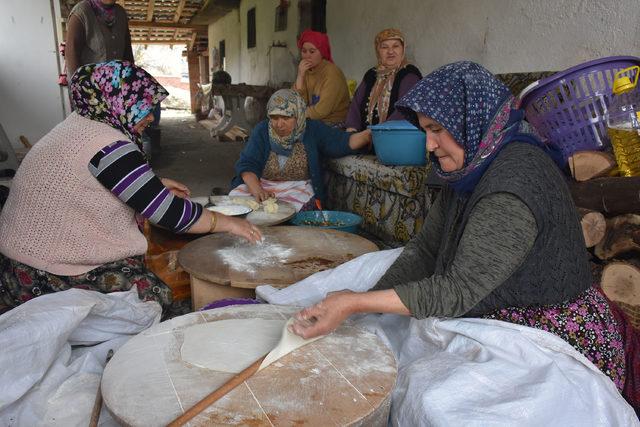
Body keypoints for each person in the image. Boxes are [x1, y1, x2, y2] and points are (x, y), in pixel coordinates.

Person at [290, 61, 638, 409]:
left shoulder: (514, 184)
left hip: (548, 329)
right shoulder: (469, 166)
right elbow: (426, 250)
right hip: (492, 298)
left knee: (436, 401)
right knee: (381, 300)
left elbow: (458, 290)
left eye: (437, 129)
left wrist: (355, 302)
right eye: (425, 130)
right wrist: (365, 302)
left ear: (470, 120)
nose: (428, 145)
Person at [0, 61, 262, 317]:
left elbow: (90, 182)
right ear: (118, 101)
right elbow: (170, 214)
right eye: (143, 107)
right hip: (43, 273)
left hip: (16, 260)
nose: (150, 117)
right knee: (155, 297)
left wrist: (153, 185)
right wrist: (227, 223)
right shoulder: (107, 144)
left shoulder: (79, 125)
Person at [230, 89, 371, 210]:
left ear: (298, 115)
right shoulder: (262, 130)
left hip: (298, 188)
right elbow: (248, 164)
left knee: (297, 210)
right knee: (237, 204)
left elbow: (342, 142)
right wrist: (257, 190)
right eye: (274, 117)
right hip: (262, 184)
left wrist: (368, 135)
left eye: (286, 117)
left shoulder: (313, 129)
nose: (279, 124)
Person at [345, 29, 422, 132]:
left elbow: (404, 110)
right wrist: (352, 129)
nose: (390, 51)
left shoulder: (409, 74)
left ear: (403, 49)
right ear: (378, 51)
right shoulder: (372, 74)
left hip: (395, 137)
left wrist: (377, 132)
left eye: (396, 46)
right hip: (365, 138)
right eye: (384, 47)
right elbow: (356, 105)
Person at [65, 0, 134, 83]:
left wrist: (130, 82)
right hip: (90, 89)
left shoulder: (121, 13)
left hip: (118, 88)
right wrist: (80, 89)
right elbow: (71, 55)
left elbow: (128, 54)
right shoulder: (82, 12)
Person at [293, 30, 350, 127]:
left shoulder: (332, 73)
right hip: (312, 120)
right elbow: (296, 102)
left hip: (334, 123)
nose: (307, 56)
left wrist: (296, 114)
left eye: (312, 51)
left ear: (322, 52)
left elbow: (321, 111)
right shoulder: (306, 71)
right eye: (304, 51)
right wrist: (300, 76)